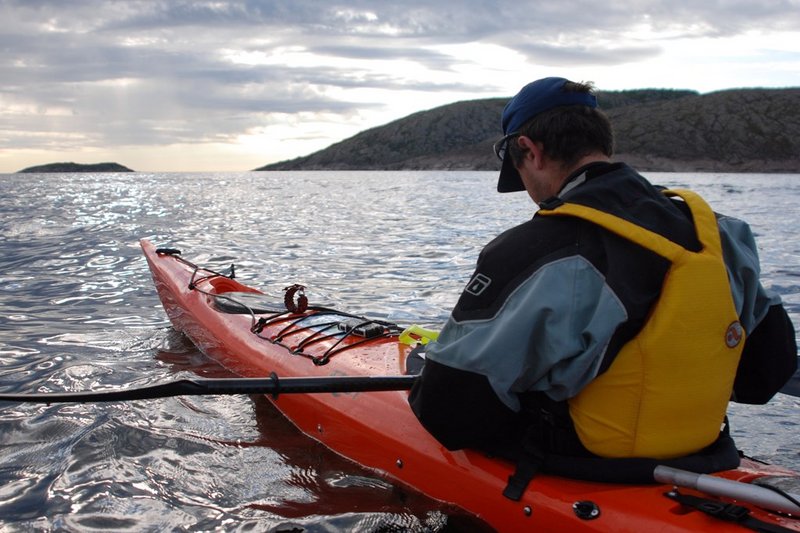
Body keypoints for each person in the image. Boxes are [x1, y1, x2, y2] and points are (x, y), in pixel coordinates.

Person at [408, 77, 797, 497]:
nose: (531, 196)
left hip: (584, 468)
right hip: (707, 456)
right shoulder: (723, 234)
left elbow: (448, 413)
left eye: (520, 173)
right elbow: (766, 376)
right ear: (601, 142)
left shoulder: (535, 249)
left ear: (530, 151)